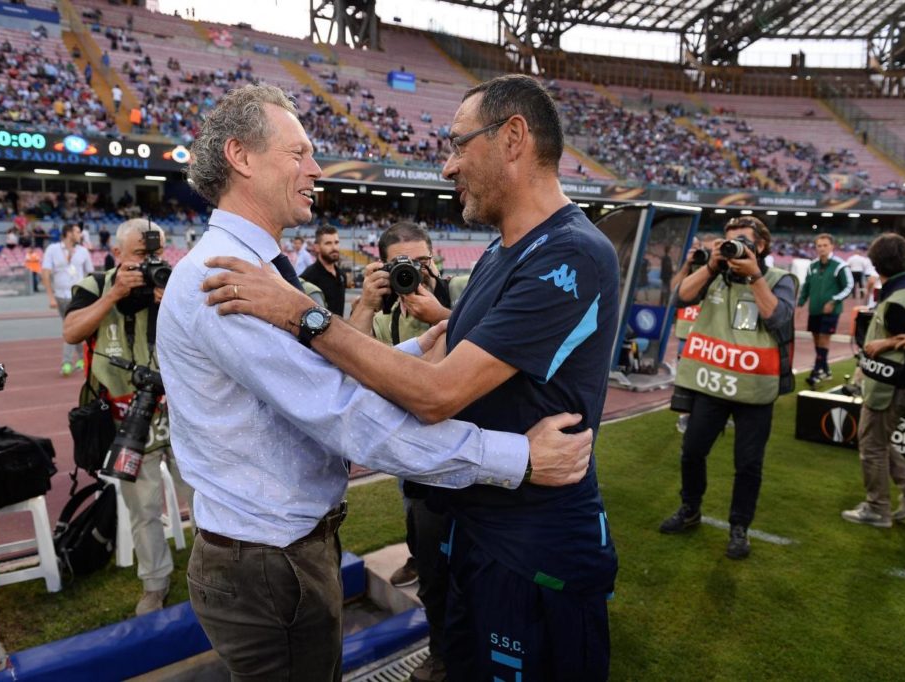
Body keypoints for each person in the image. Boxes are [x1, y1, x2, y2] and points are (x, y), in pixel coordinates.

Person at [157, 83, 593, 680]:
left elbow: (313, 377)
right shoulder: (225, 277)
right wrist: (518, 457)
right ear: (241, 157)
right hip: (268, 560)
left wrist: (417, 348)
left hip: (281, 550)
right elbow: (347, 417)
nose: (316, 169)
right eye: (299, 153)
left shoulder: (252, 269)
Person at [62, 219, 194, 615]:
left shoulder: (174, 281)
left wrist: (174, 303)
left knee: (204, 496)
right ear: (117, 254)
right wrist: (115, 294)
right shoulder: (94, 285)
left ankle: (216, 570)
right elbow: (71, 332)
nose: (151, 262)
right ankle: (155, 583)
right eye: (140, 255)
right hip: (128, 416)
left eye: (157, 253)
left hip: (180, 410)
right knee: (144, 508)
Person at [348, 221, 455, 682]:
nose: (415, 272)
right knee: (430, 561)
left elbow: (496, 333)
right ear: (383, 268)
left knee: (473, 566)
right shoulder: (384, 315)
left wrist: (441, 313)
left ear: (437, 259)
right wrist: (366, 303)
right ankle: (441, 651)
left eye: (422, 261)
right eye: (402, 265)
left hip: (466, 453)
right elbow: (349, 364)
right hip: (414, 459)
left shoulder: (462, 290)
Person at [659, 216, 797, 560]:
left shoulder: (779, 279)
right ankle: (690, 508)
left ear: (761, 246)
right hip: (712, 384)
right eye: (729, 242)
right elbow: (679, 298)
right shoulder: (715, 275)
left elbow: (778, 318)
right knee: (692, 451)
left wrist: (754, 276)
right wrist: (711, 265)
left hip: (755, 389)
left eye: (743, 242)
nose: (735, 248)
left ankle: (739, 527)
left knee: (748, 464)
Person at [841, 234, 905, 528]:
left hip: (890, 385)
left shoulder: (896, 302)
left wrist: (884, 344)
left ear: (875, 264)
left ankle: (877, 508)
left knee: (871, 445)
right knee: (877, 440)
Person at [798, 233, 852, 387]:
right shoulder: (812, 266)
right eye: (819, 246)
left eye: (825, 245)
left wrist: (834, 301)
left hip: (831, 311)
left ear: (832, 246)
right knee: (816, 339)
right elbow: (806, 286)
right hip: (814, 310)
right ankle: (826, 369)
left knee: (823, 338)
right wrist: (800, 304)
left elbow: (849, 286)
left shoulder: (840, 265)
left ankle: (816, 372)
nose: (821, 248)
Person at [41, 222, 93, 376]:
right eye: (77, 232)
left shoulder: (83, 251)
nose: (80, 235)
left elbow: (90, 273)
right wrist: (50, 297)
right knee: (73, 328)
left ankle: (67, 362)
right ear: (69, 233)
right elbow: (45, 273)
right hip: (60, 297)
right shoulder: (53, 249)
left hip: (78, 296)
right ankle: (82, 359)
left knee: (70, 327)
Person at [671, 235, 709, 434]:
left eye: (697, 247)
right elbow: (674, 290)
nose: (695, 251)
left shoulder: (713, 268)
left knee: (706, 376)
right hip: (686, 332)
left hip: (707, 333)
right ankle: (684, 416)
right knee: (686, 376)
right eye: (691, 247)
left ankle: (707, 415)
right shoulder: (685, 268)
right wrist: (687, 265)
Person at [300, 225, 345, 316]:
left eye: (336, 242)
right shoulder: (308, 277)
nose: (334, 247)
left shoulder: (341, 275)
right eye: (328, 243)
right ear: (317, 247)